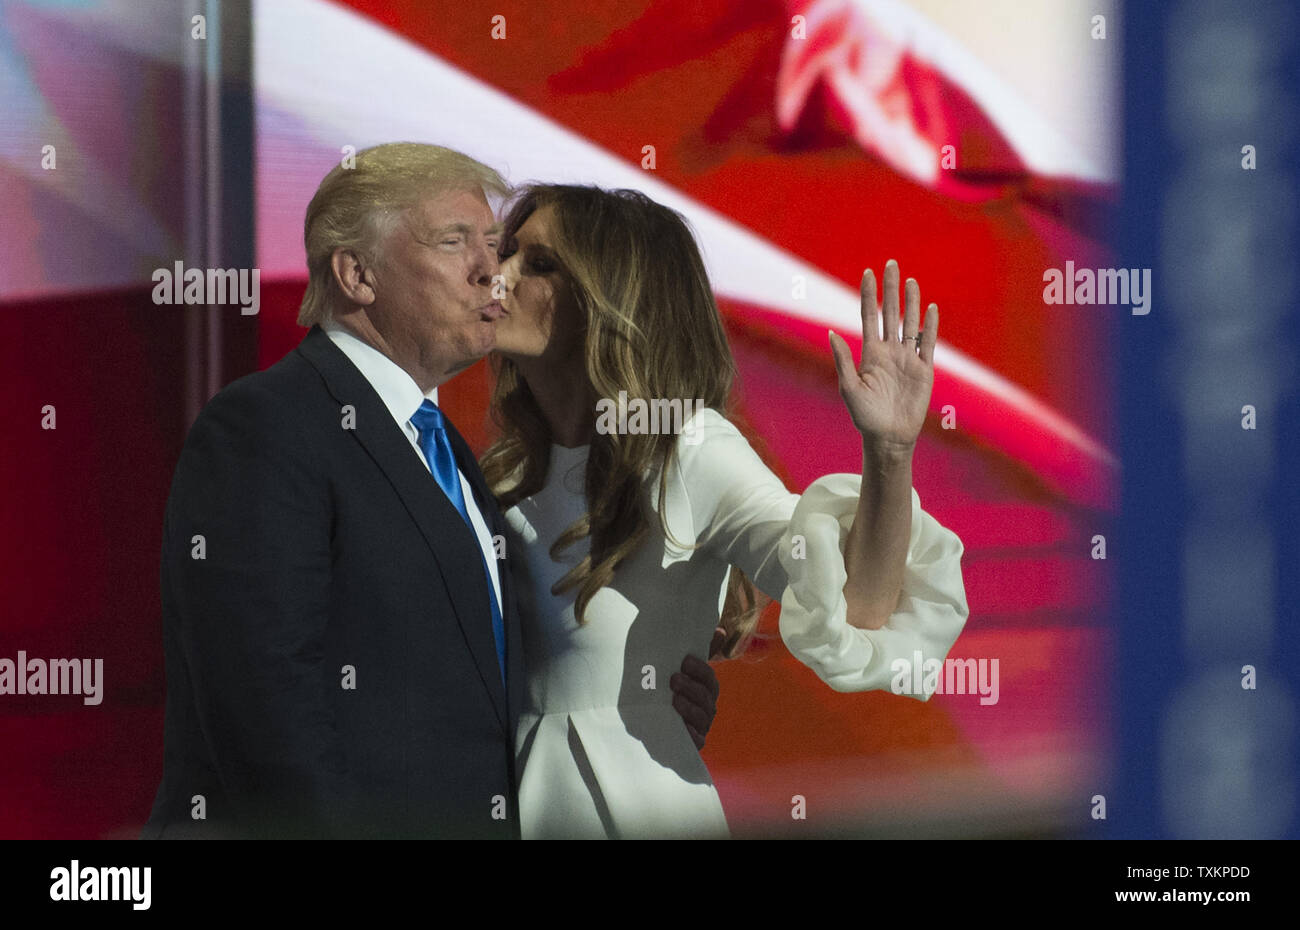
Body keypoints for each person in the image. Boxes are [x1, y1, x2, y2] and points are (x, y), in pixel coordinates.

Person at [141, 145, 718, 839]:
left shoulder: (450, 455)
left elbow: (473, 677)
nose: (491, 272)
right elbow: (264, 709)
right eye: (455, 242)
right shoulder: (267, 426)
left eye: (495, 246)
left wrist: (630, 704)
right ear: (357, 274)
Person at [482, 184, 971, 839]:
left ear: (612, 296)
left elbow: (859, 606)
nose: (499, 274)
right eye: (506, 251)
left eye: (538, 264)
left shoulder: (689, 448)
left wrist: (889, 451)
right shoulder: (497, 475)